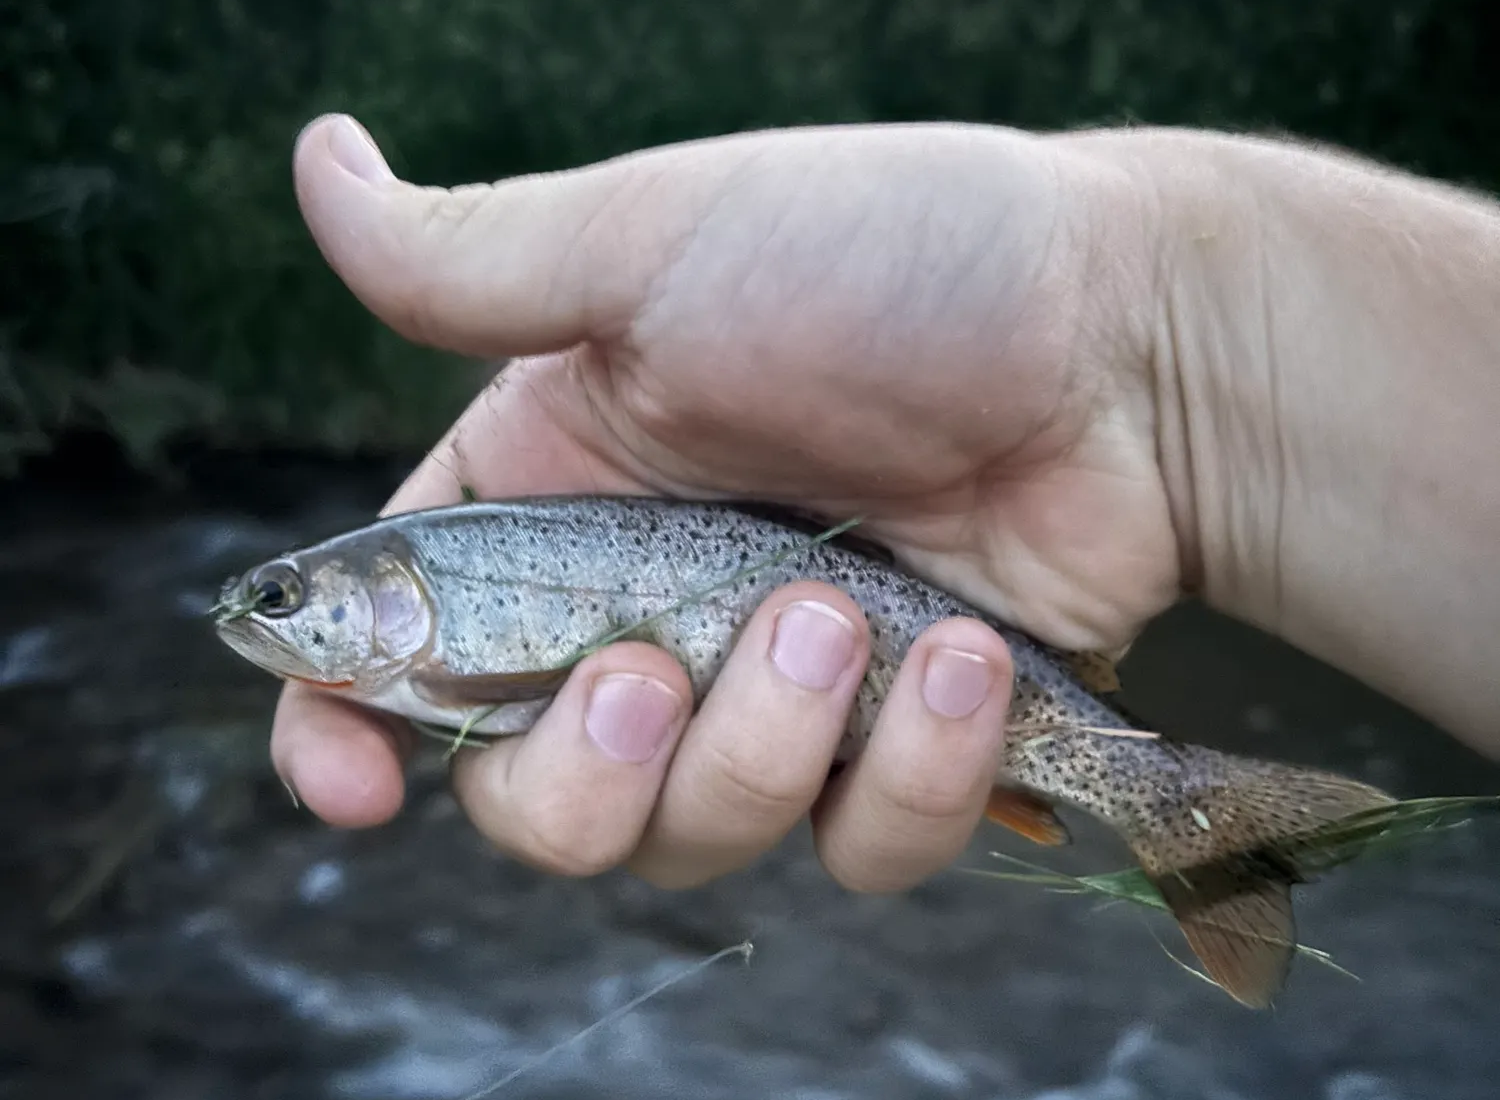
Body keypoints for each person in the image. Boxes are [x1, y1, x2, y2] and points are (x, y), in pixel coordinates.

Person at [271, 113, 1500, 894]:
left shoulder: (442, 624)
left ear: (381, 596)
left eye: (286, 600)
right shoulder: (446, 581)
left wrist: (1136, 327)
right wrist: (1157, 348)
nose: (268, 613)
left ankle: (1175, 802)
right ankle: (1177, 807)